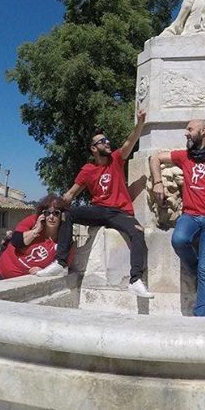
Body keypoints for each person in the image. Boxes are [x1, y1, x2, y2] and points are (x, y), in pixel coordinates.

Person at [54, 110, 154, 299]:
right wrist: (55, 206)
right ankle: (60, 263)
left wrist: (140, 123)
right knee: (70, 214)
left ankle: (135, 281)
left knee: (138, 232)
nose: (107, 142)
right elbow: (71, 194)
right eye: (102, 141)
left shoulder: (116, 159)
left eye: (107, 140)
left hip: (120, 212)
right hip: (98, 210)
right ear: (93, 148)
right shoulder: (88, 170)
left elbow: (129, 143)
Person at [150, 119, 205, 316]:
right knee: (179, 240)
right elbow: (155, 158)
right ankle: (197, 271)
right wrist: (157, 182)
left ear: (203, 131)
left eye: (190, 129)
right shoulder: (185, 156)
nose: (186, 133)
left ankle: (201, 318)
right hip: (190, 216)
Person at [0, 195, 70, 280]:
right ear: (43, 214)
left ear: (62, 215)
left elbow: (64, 268)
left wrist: (44, 271)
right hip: (1, 273)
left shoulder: (63, 240)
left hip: (21, 282)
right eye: (47, 213)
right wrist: (36, 230)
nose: (51, 217)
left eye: (56, 213)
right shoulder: (33, 221)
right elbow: (16, 241)